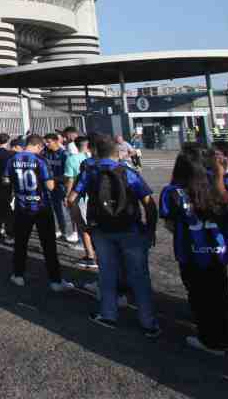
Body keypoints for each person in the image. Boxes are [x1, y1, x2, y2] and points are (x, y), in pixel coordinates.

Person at [69, 135, 160, 337]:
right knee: (139, 276)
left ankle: (108, 314)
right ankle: (148, 321)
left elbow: (71, 199)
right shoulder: (128, 172)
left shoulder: (90, 172)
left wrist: (82, 224)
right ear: (117, 153)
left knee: (107, 273)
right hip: (130, 228)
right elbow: (148, 202)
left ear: (96, 152)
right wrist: (150, 229)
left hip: (101, 229)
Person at [160, 153, 228, 354]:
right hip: (217, 250)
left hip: (190, 251)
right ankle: (225, 334)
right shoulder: (216, 189)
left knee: (199, 295)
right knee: (220, 292)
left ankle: (211, 340)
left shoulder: (172, 191)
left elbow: (170, 224)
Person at [5, 135, 72, 292]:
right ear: (39, 146)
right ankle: (55, 280)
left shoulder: (12, 159)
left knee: (21, 242)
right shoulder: (41, 160)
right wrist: (58, 180)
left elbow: (6, 180)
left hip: (22, 206)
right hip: (41, 206)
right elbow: (49, 186)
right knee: (48, 244)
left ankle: (18, 274)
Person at [65, 136, 97, 269]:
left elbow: (71, 180)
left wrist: (68, 196)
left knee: (84, 227)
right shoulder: (97, 158)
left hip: (82, 197)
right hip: (98, 198)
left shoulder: (72, 159)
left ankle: (90, 256)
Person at [43, 133, 78, 243]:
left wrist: (53, 179)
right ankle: (58, 230)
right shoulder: (45, 153)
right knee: (52, 209)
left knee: (64, 210)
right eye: (45, 142)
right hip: (50, 186)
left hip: (61, 186)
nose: (47, 144)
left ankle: (69, 232)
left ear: (56, 141)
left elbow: (68, 175)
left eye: (48, 142)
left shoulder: (64, 155)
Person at [0, 133, 15, 244]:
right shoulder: (8, 154)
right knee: (7, 206)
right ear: (8, 140)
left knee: (0, 203)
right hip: (6, 181)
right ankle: (7, 228)